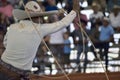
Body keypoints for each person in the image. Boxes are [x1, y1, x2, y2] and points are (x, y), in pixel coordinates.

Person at [0, 0, 79, 80]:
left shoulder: (13, 27)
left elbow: (5, 43)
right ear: (36, 17)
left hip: (2, 65)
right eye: (40, 16)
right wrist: (74, 11)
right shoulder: (39, 28)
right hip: (18, 73)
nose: (41, 19)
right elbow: (62, 23)